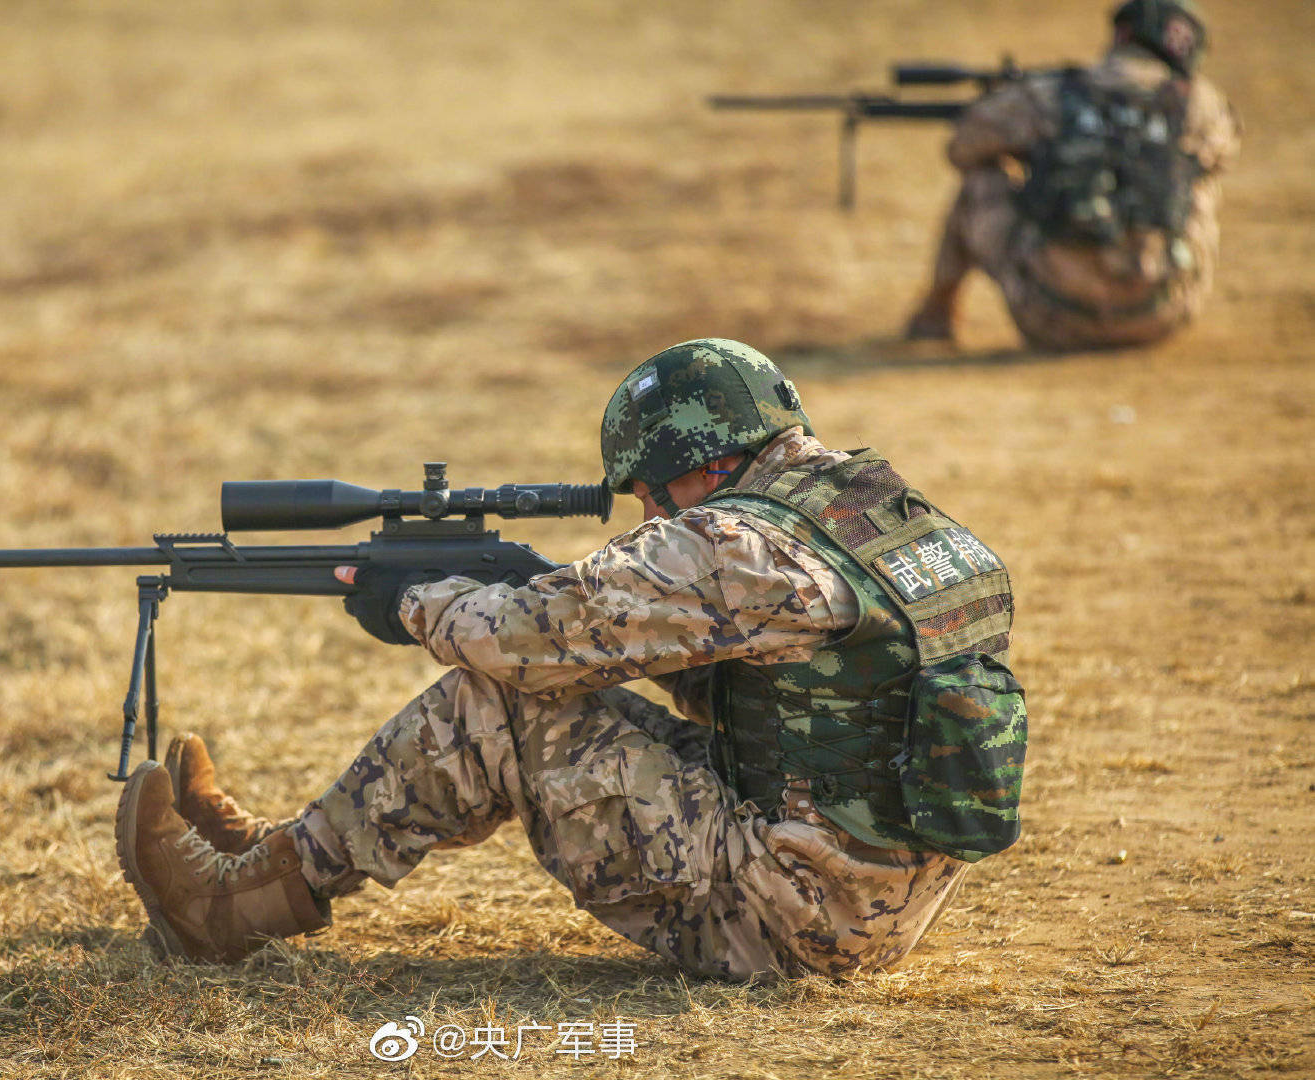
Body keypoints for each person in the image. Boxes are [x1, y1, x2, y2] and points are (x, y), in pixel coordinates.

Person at [113, 338, 1027, 980]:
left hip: (790, 920)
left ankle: (232, 908)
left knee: (498, 705)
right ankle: (284, 854)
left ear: (694, 463)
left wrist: (409, 598)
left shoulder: (732, 546)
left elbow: (520, 646)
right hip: (866, 896)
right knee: (549, 690)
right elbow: (759, 689)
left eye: (646, 495)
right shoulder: (875, 512)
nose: (646, 518)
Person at [905, 0, 1241, 350]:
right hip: (1163, 315)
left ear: (1122, 33)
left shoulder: (1051, 92)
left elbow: (962, 148)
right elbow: (1221, 155)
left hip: (1051, 318)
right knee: (1198, 178)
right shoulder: (1203, 104)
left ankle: (935, 315)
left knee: (980, 182)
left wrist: (1039, 154)